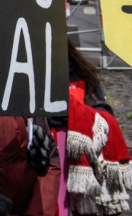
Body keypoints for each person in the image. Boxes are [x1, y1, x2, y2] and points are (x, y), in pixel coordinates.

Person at [55, 39, 131, 215]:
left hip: (83, 160)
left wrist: (79, 114)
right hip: (52, 159)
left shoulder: (83, 76)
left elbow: (103, 111)